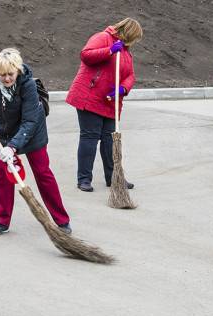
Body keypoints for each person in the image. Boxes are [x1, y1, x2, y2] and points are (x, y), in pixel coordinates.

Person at [0, 48, 72, 237]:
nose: (7, 79)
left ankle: (61, 220)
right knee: (4, 176)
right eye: (2, 75)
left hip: (32, 133)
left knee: (43, 173)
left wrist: (13, 146)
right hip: (3, 132)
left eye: (10, 74)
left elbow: (30, 121)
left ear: (18, 70)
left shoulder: (28, 85)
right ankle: (1, 220)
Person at [66, 17, 142, 192]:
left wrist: (123, 89)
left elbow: (130, 75)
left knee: (109, 141)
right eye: (134, 37)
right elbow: (86, 55)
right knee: (90, 137)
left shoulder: (126, 51)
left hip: (110, 102)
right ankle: (84, 179)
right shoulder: (103, 37)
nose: (134, 42)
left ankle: (113, 177)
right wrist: (109, 50)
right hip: (90, 96)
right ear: (128, 33)